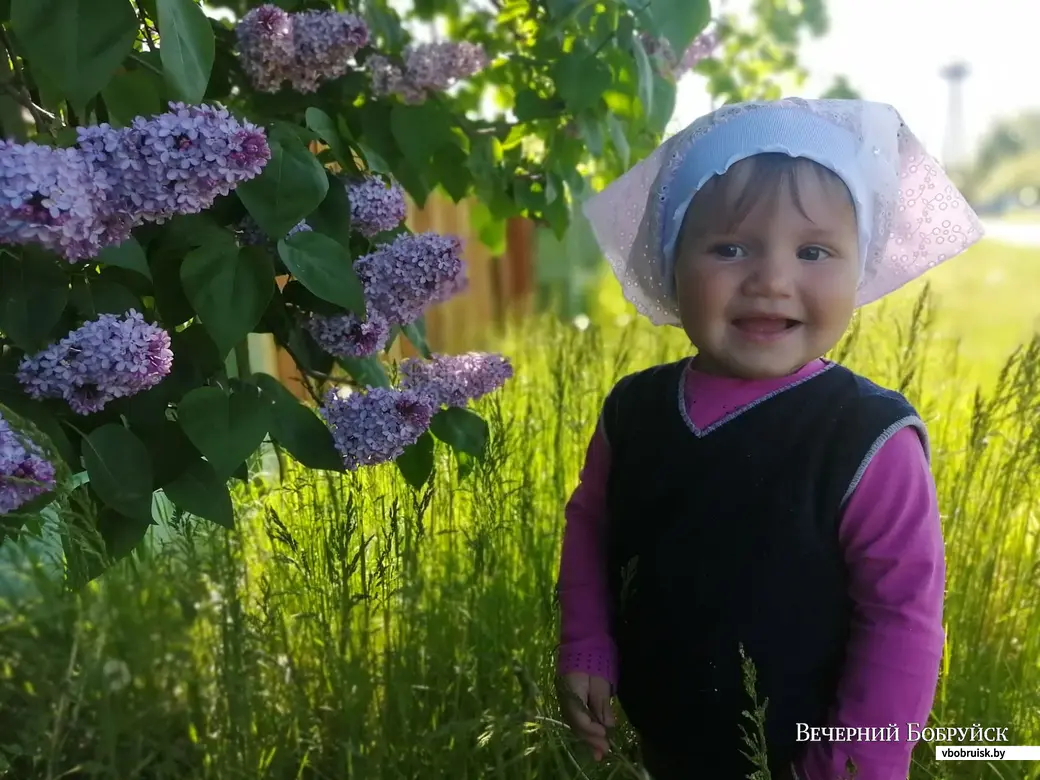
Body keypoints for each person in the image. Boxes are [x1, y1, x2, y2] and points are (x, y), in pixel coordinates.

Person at [552, 98, 984, 780]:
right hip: (664, 739)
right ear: (671, 260)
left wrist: (854, 765)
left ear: (859, 265)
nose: (772, 280)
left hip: (801, 756)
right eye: (730, 247)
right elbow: (592, 527)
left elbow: (902, 618)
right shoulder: (635, 412)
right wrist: (585, 644)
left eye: (813, 251)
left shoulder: (867, 441)